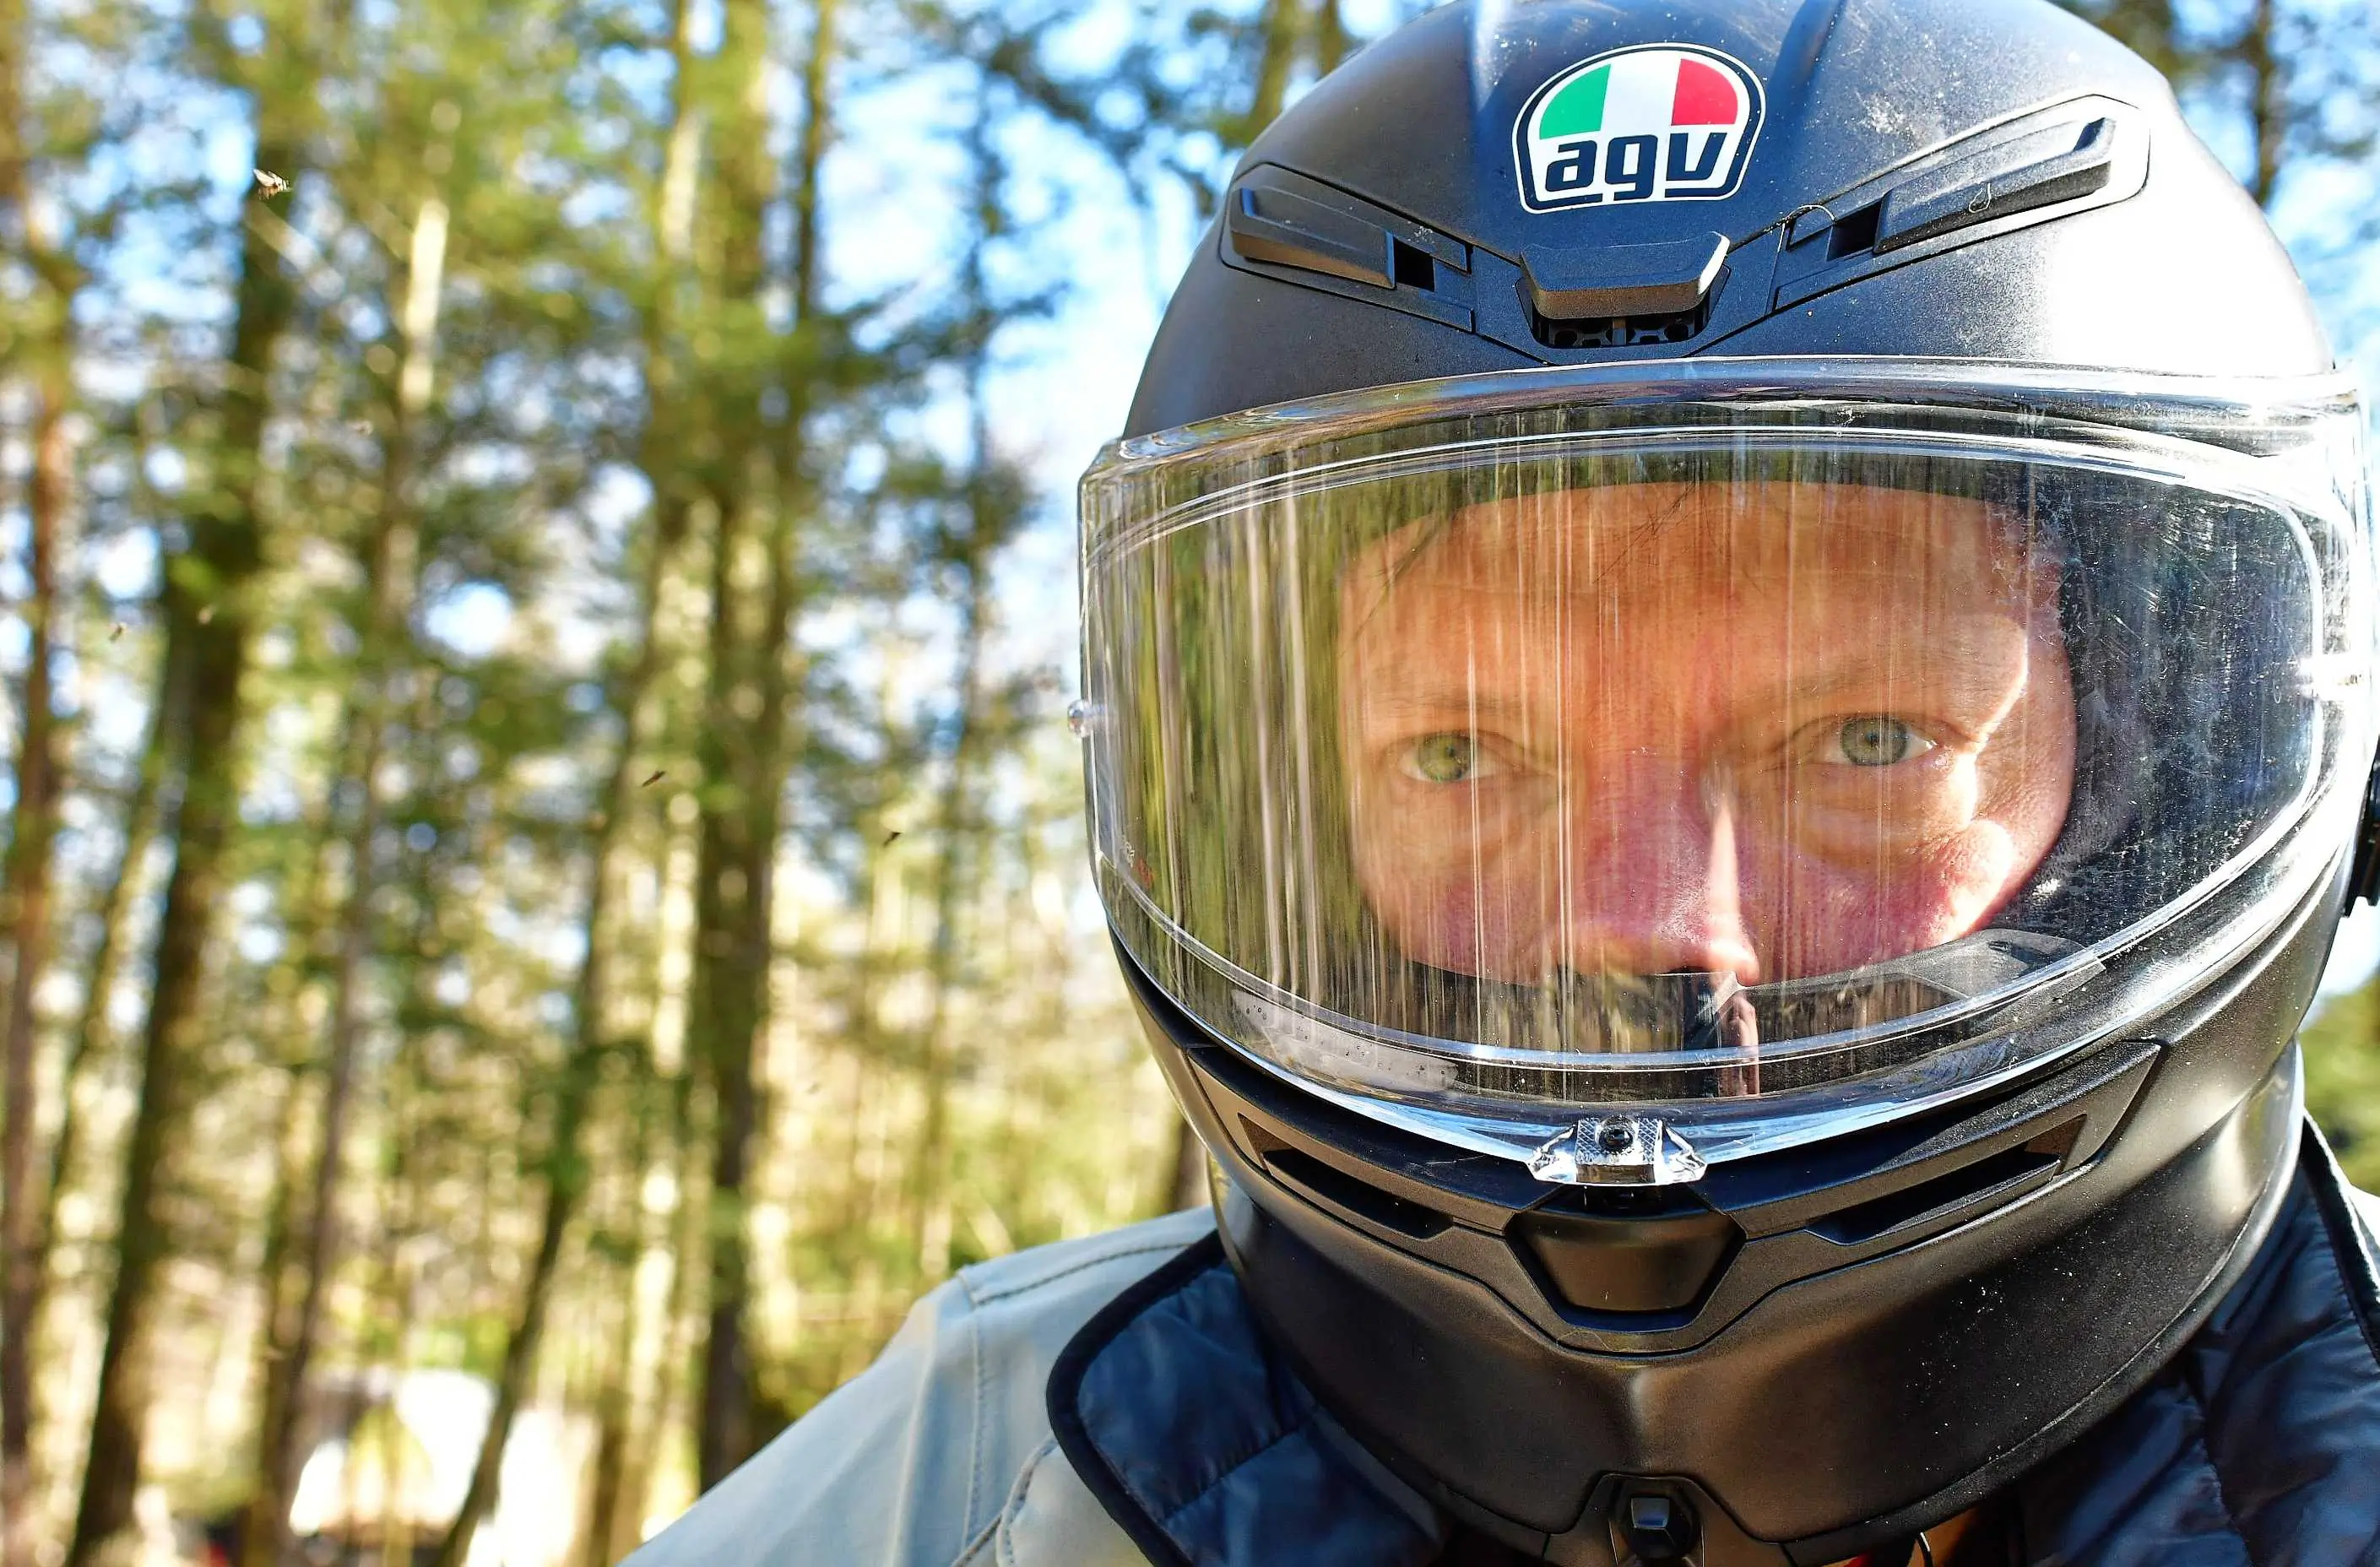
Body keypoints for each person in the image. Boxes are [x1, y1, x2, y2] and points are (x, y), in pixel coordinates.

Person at [627, 1, 2380, 1562]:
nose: (1637, 935)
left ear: (2183, 775)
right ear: (1300, 822)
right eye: (1460, 753)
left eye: (1868, 743)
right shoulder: (984, 1483)